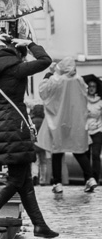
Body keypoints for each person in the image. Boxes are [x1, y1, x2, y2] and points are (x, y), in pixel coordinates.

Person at [0, 35, 59, 238]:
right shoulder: (15, 69)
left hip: (0, 121)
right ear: (17, 52)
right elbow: (45, 61)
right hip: (15, 124)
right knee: (16, 178)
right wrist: (30, 44)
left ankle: (40, 225)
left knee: (24, 178)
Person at [38, 57, 96, 194]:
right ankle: (90, 178)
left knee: (57, 152)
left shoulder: (55, 80)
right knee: (79, 150)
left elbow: (43, 92)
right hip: (75, 121)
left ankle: (57, 183)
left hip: (58, 121)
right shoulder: (79, 80)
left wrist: (48, 74)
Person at [86, 79, 102, 185]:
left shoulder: (100, 101)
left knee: (96, 155)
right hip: (85, 131)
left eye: (93, 86)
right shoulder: (83, 100)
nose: (91, 88)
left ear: (96, 89)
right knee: (86, 156)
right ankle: (87, 178)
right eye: (90, 86)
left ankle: (96, 178)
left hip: (98, 130)